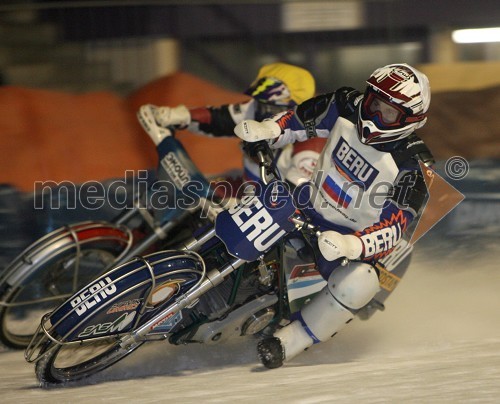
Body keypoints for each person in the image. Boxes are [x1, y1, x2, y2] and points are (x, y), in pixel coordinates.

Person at [233, 63, 434, 368]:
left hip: (343, 239)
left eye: (388, 112)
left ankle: (289, 341)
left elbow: (395, 227)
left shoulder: (415, 165)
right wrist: (270, 129)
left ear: (411, 120)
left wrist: (352, 246)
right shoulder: (348, 105)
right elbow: (303, 118)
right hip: (309, 202)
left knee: (362, 281)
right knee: (256, 197)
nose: (375, 115)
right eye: (374, 102)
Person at [147, 62, 326, 193]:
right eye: (260, 104)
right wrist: (183, 116)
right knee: (203, 194)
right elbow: (219, 119)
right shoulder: (254, 109)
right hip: (252, 197)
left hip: (283, 224)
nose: (263, 113)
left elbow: (298, 198)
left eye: (270, 108)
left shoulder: (311, 144)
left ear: (293, 109)